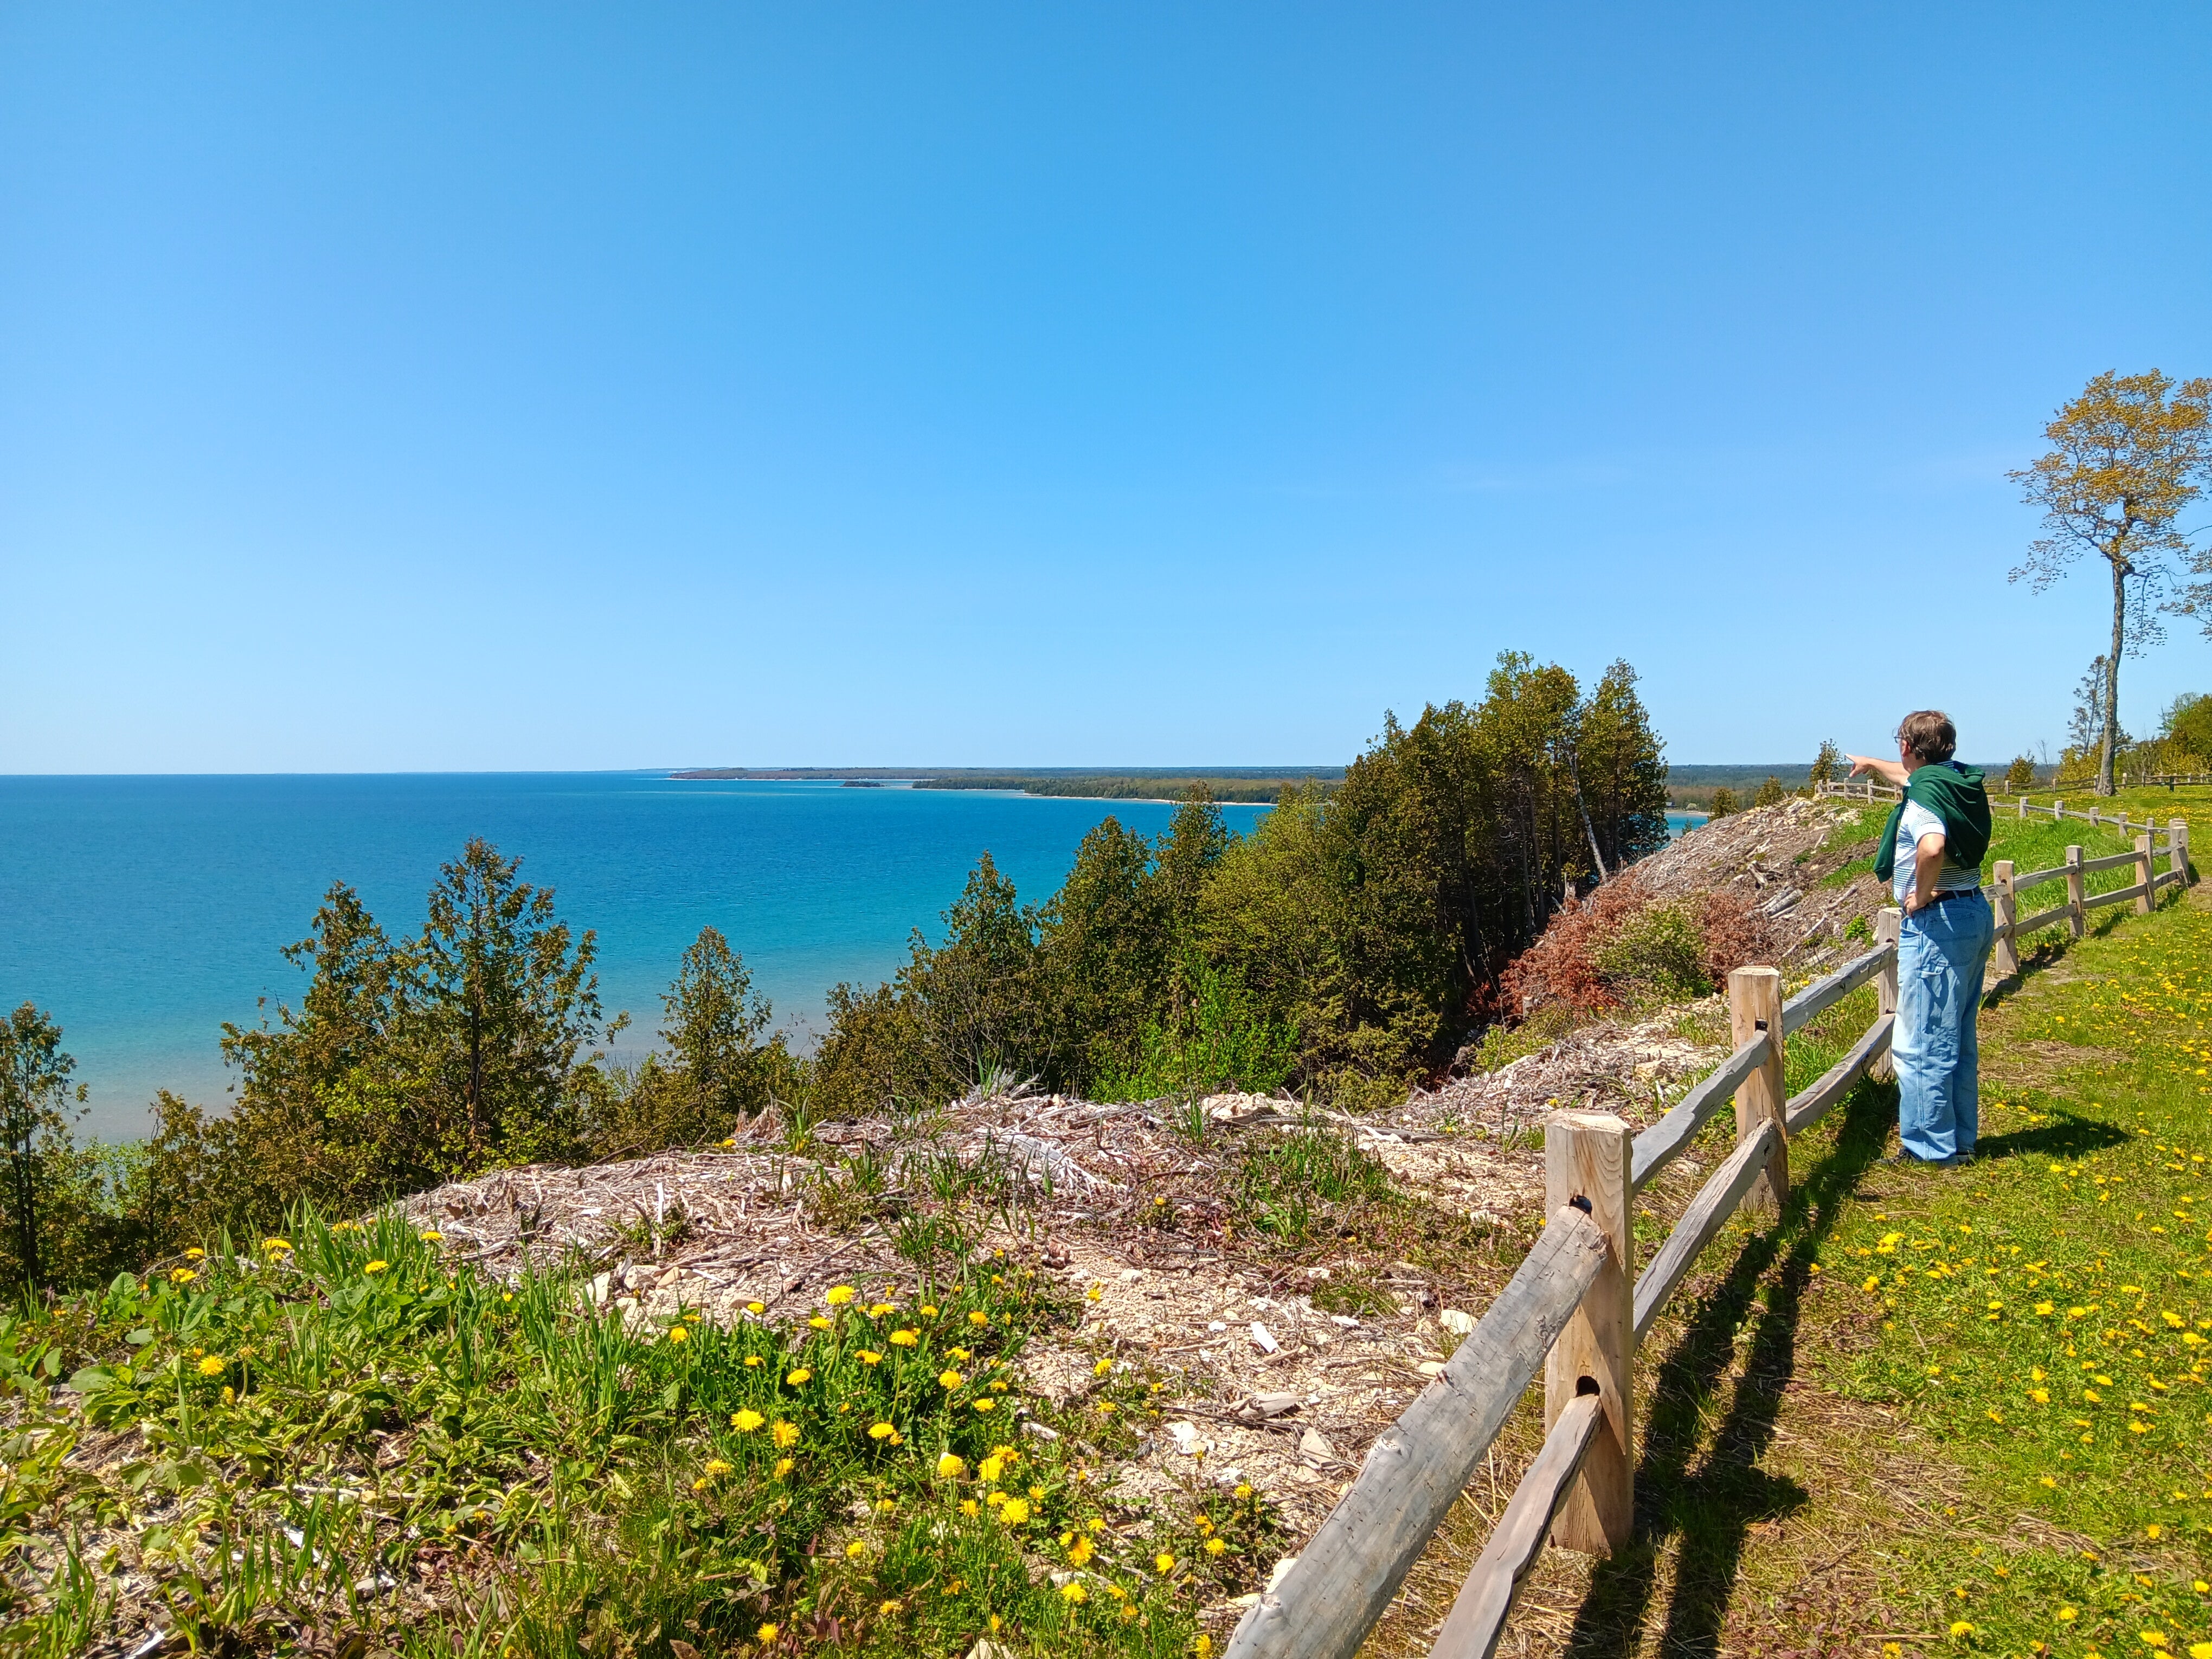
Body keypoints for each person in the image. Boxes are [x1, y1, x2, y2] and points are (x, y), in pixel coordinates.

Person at [1846, 711, 1993, 1166]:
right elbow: (1912, 778)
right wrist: (1871, 763)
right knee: (1957, 1036)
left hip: (1940, 922)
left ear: (1908, 745)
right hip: (1972, 912)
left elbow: (1931, 845)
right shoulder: (1955, 781)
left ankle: (1930, 1150)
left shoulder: (1925, 798)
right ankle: (1960, 1140)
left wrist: (1920, 896)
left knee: (1923, 1040)